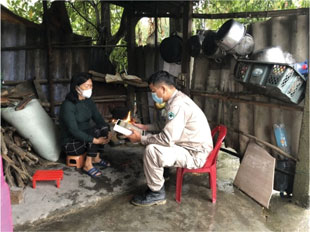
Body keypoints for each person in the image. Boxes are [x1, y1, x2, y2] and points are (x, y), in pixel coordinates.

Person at [126, 70, 213, 206]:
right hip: (188, 145)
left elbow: (167, 139)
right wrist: (145, 128)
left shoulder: (177, 105)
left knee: (152, 150)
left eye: (153, 91)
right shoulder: (176, 99)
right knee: (154, 143)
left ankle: (156, 194)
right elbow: (164, 125)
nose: (153, 95)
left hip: (195, 154)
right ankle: (163, 172)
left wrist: (141, 138)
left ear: (163, 88)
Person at [59, 72, 112, 178]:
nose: (90, 88)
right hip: (71, 143)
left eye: (91, 86)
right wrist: (95, 140)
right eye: (87, 86)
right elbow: (73, 131)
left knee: (103, 127)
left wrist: (108, 131)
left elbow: (98, 118)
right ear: (77, 87)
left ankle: (95, 157)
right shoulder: (68, 105)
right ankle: (88, 165)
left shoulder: (88, 101)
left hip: (85, 137)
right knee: (95, 133)